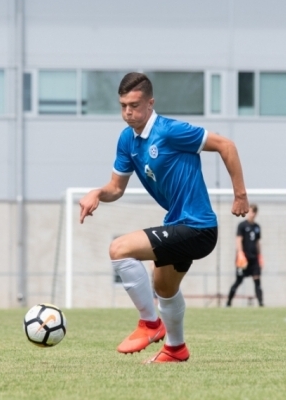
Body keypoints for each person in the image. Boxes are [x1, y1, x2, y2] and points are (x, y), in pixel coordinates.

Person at [79, 72, 249, 364]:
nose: (128, 112)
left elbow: (226, 145)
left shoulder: (170, 131)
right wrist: (97, 193)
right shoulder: (127, 140)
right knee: (165, 288)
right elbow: (116, 188)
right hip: (178, 225)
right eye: (123, 106)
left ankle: (150, 324)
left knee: (119, 249)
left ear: (150, 103)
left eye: (134, 105)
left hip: (198, 227)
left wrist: (240, 195)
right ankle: (175, 349)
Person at [226, 204, 264, 307]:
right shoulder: (242, 225)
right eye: (251, 212)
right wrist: (240, 254)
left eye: (254, 212)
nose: (252, 214)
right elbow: (238, 240)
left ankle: (261, 304)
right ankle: (228, 303)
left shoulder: (257, 227)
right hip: (244, 259)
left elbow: (257, 242)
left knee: (257, 280)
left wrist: (260, 256)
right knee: (238, 281)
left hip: (254, 259)